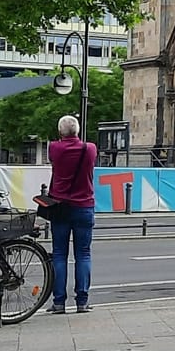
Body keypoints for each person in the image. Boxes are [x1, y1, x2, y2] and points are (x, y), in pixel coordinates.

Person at [45, 114, 98, 313]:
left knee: (59, 254)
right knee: (83, 254)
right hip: (84, 206)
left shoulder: (54, 148)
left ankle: (59, 302)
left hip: (60, 206)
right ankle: (82, 301)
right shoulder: (90, 149)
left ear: (60, 132)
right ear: (77, 131)